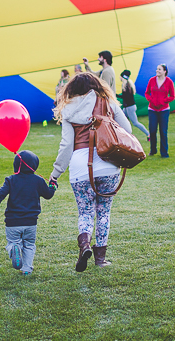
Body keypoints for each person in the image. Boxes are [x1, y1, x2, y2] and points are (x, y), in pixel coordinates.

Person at [49, 72, 132, 271]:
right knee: (103, 212)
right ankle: (100, 258)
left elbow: (67, 145)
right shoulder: (107, 102)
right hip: (108, 164)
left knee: (85, 212)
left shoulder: (68, 109)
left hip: (80, 168)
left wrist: (55, 173)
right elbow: (127, 128)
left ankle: (84, 244)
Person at [0, 150, 56, 275]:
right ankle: (26, 269)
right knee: (29, 245)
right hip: (31, 223)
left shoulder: (11, 180)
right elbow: (48, 194)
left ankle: (14, 249)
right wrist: (53, 185)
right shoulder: (38, 181)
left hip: (13, 222)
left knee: (13, 242)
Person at [145, 63, 175, 158]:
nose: (157, 71)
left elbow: (172, 96)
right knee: (153, 130)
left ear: (164, 71)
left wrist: (163, 101)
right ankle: (153, 150)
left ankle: (164, 152)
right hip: (152, 109)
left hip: (164, 110)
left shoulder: (169, 82)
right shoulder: (152, 80)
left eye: (159, 69)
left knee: (163, 131)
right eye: (157, 69)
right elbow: (147, 93)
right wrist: (152, 100)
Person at [118, 70, 150, 138]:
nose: (119, 78)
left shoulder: (127, 85)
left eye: (120, 76)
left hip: (130, 107)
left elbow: (125, 97)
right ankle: (123, 136)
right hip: (127, 107)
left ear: (122, 77)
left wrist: (115, 94)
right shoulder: (127, 84)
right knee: (120, 120)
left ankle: (148, 134)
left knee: (135, 123)